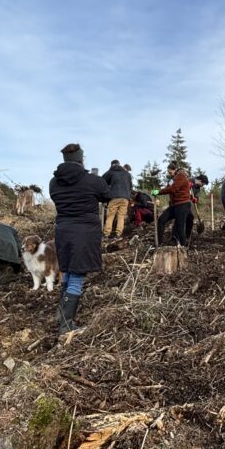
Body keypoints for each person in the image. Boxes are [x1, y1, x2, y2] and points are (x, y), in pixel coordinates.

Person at [49, 143, 111, 334]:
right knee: (77, 276)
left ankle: (61, 315)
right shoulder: (92, 180)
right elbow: (107, 196)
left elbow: (57, 198)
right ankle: (66, 324)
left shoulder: (54, 182)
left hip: (63, 231)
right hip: (84, 233)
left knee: (68, 271)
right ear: (81, 159)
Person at [154, 164, 191, 246]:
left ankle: (183, 247)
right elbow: (168, 188)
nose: (169, 173)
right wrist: (158, 192)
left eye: (169, 171)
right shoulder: (173, 179)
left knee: (180, 227)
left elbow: (172, 189)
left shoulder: (181, 176)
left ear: (174, 169)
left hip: (182, 205)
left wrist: (158, 192)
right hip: (174, 206)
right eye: (168, 171)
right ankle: (158, 244)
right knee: (161, 220)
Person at [101, 159, 132, 238]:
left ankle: (107, 233)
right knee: (121, 216)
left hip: (114, 197)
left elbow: (102, 181)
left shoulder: (111, 171)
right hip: (125, 198)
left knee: (110, 216)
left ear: (112, 165)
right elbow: (130, 186)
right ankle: (118, 234)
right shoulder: (127, 174)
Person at [186, 173, 209, 239]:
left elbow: (196, 197)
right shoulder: (189, 180)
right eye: (203, 184)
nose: (202, 186)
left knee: (190, 218)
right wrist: (189, 194)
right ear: (199, 180)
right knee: (183, 219)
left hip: (187, 204)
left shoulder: (198, 188)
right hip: (181, 202)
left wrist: (196, 199)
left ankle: (187, 236)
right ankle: (176, 236)